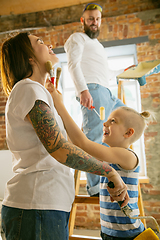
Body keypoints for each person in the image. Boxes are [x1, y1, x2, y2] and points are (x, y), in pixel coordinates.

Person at [0, 32, 129, 240]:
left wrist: (58, 102)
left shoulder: (37, 92)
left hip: (45, 205)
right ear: (29, 57)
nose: (49, 44)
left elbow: (75, 143)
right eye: (40, 43)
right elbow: (60, 148)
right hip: (36, 205)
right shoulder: (28, 88)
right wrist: (108, 171)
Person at [46, 84, 150, 239]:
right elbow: (74, 145)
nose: (105, 123)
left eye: (113, 121)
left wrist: (60, 105)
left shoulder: (128, 156)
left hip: (128, 234)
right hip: (108, 231)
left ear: (129, 133)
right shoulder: (109, 155)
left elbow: (83, 144)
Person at [64, 3, 126, 197]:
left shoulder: (97, 46)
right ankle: (94, 188)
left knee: (129, 120)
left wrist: (125, 71)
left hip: (107, 91)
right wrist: (83, 90)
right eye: (90, 19)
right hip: (93, 90)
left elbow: (105, 73)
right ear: (83, 21)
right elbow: (73, 64)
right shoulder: (77, 38)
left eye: (97, 19)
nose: (94, 22)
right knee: (95, 137)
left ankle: (119, 171)